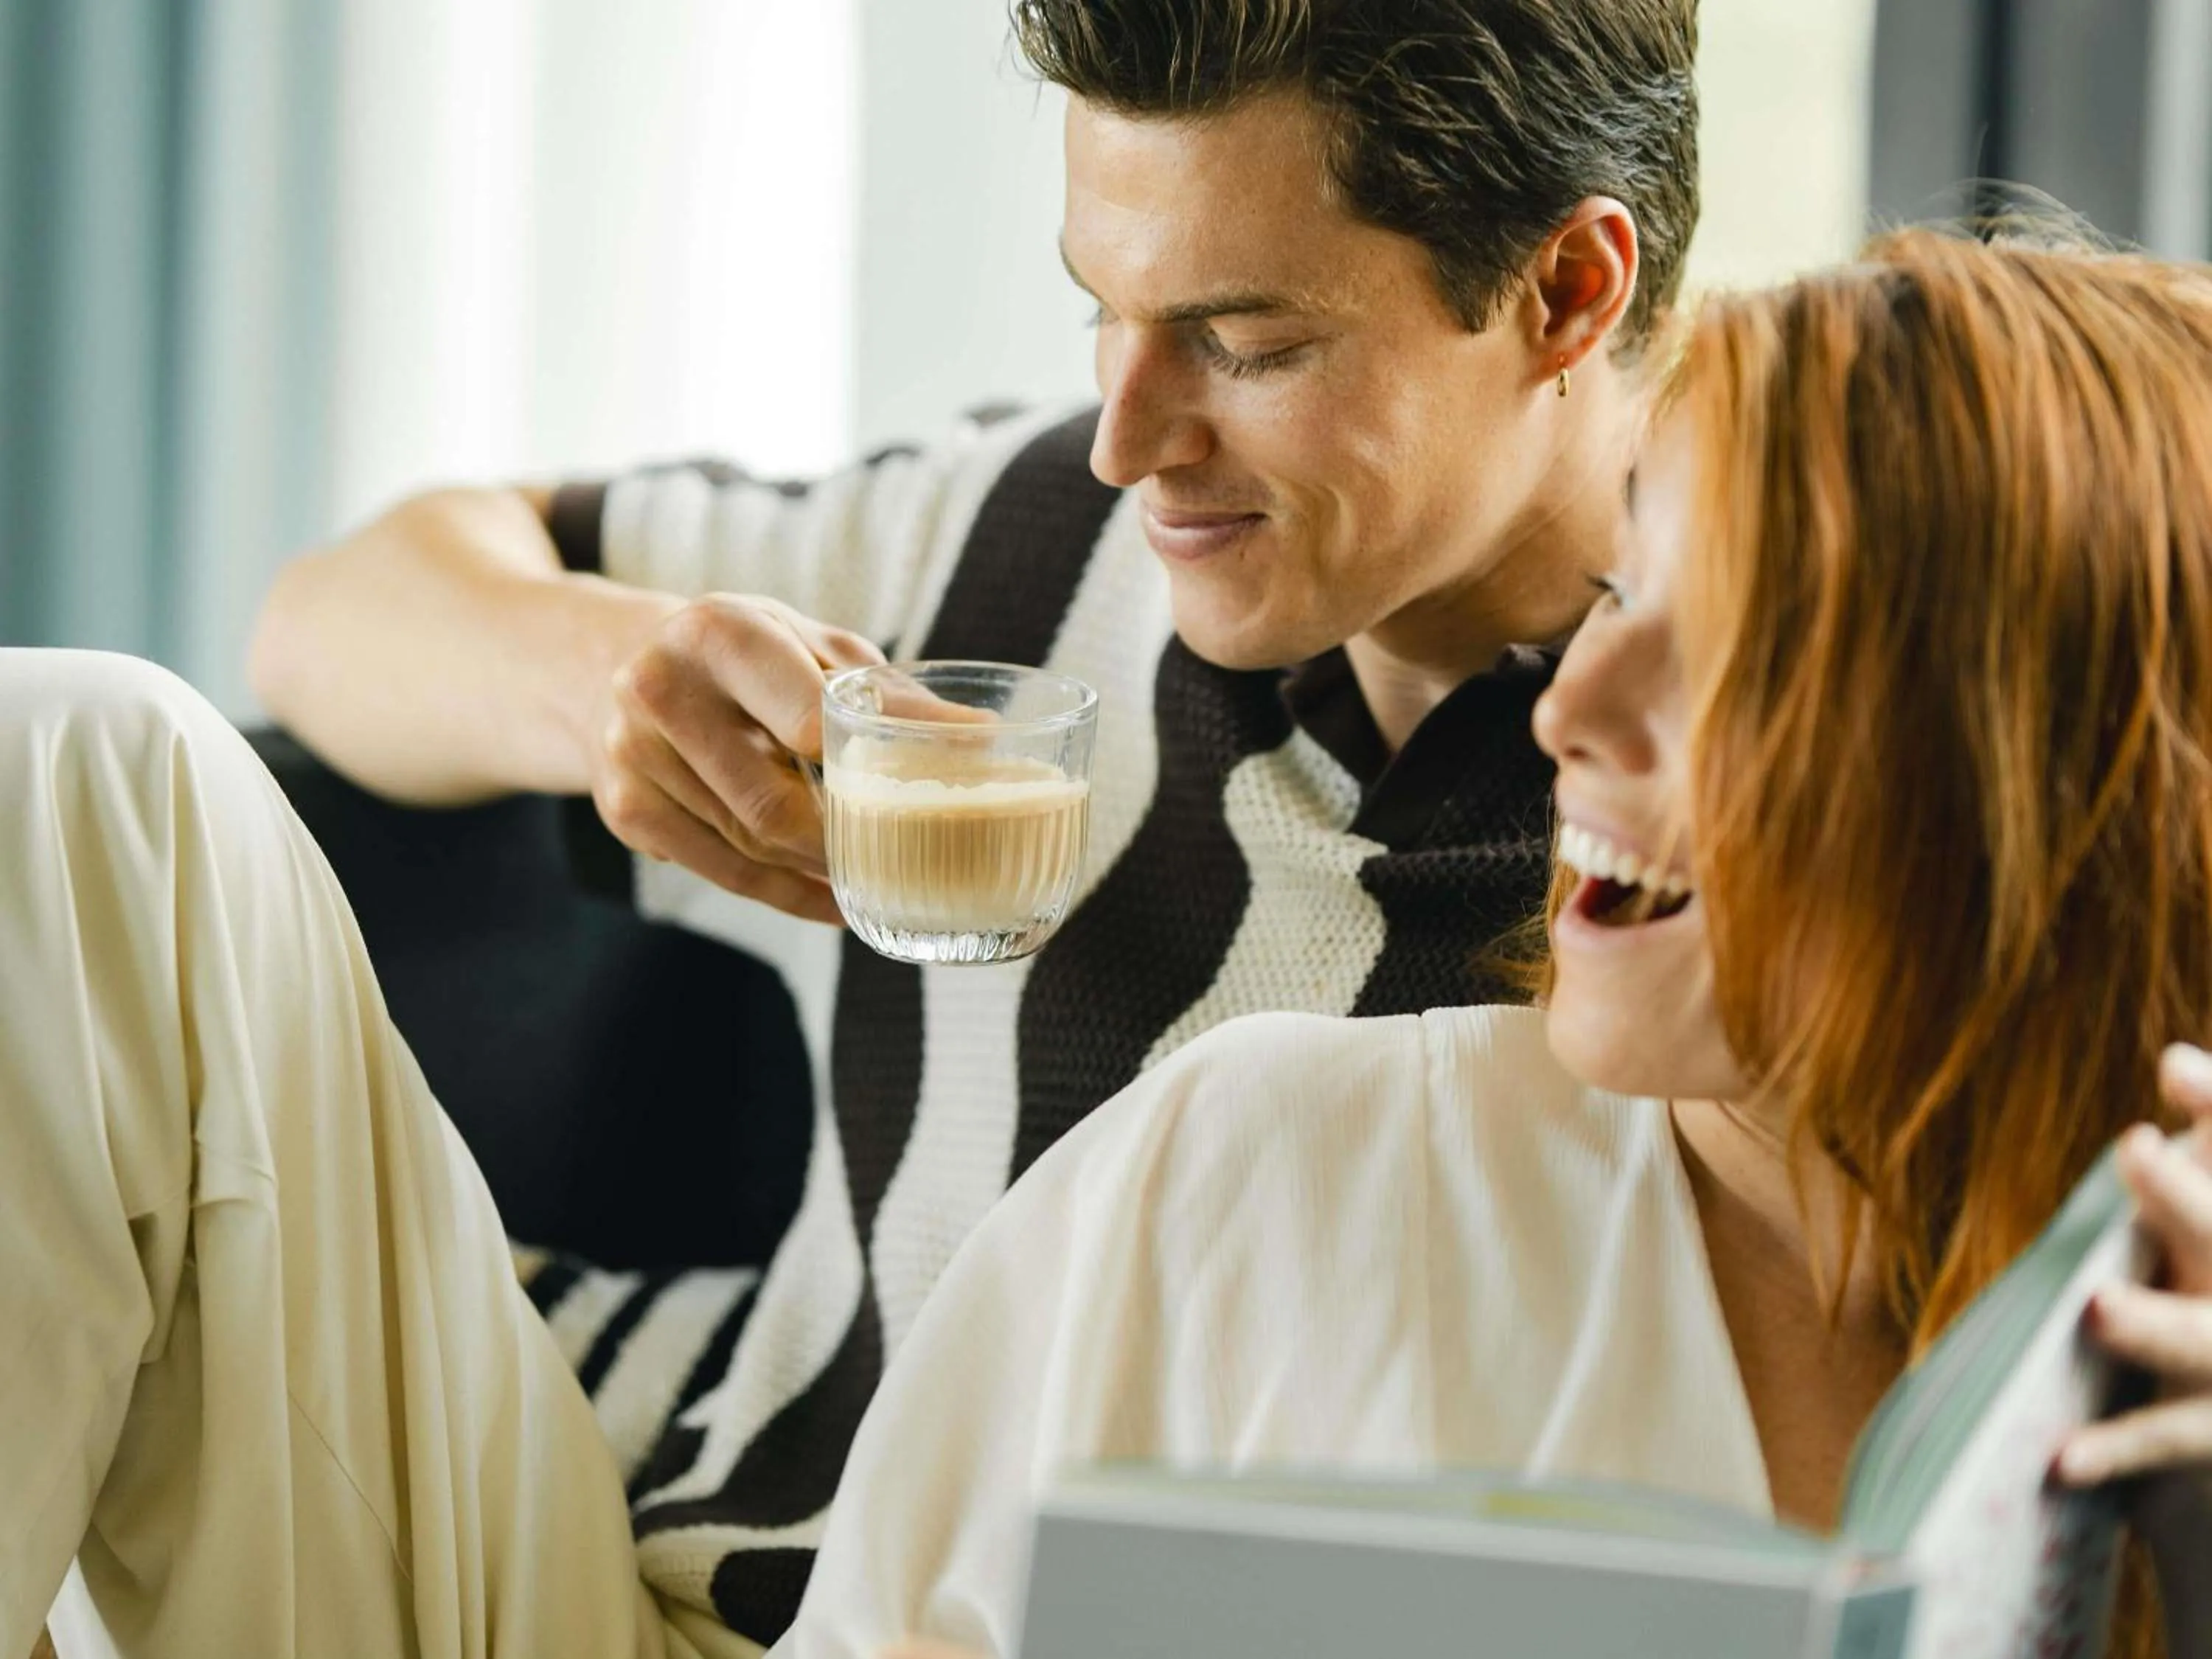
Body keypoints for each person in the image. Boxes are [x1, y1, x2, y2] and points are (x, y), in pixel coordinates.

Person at [245, 0, 1699, 1639]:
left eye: (1249, 343)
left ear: (1570, 289)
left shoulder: (1697, 834)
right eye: (1105, 312)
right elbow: (325, 619)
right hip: (596, 1544)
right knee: (67, 766)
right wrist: (615, 687)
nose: (1127, 438)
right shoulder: (1028, 542)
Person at [761, 232, 2212, 1658]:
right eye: (1623, 593)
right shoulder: (1246, 1180)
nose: (1569, 713)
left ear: (2054, 788)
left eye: (1740, 655)